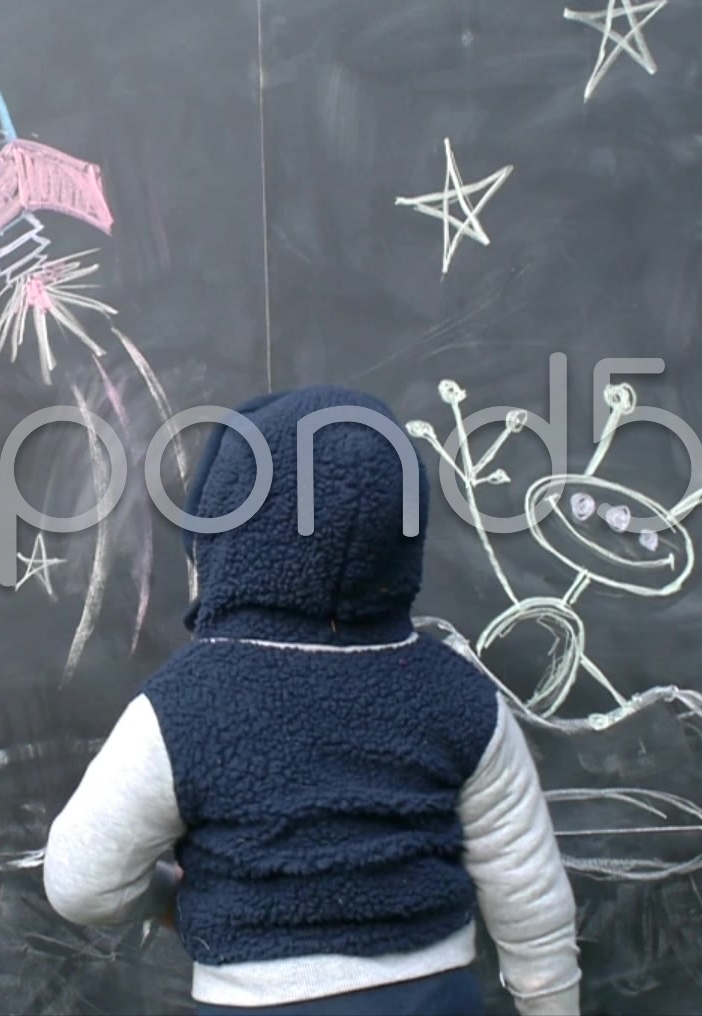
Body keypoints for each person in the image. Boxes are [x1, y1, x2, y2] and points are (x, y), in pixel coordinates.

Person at [44, 386, 580, 1016]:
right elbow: (531, 899)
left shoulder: (186, 707)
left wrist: (172, 901)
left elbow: (80, 884)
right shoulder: (459, 696)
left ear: (227, 531)